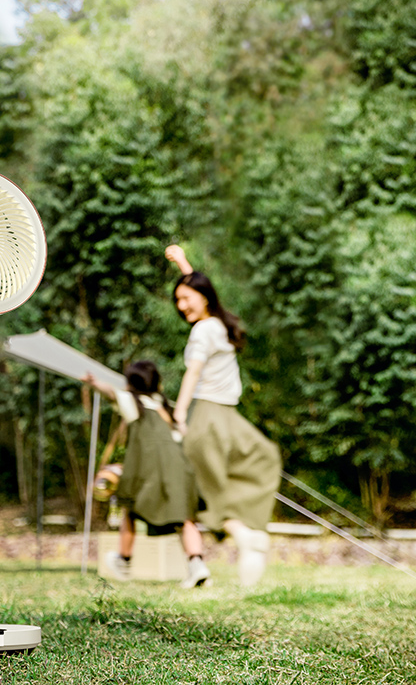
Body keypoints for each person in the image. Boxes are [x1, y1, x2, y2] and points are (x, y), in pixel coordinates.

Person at [165, 244, 281, 587]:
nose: (181, 306)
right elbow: (193, 374)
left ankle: (246, 535)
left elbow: (192, 372)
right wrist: (181, 415)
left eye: (186, 298)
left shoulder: (208, 327)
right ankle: (246, 536)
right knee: (212, 488)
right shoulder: (209, 326)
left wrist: (180, 413)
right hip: (212, 415)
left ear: (203, 296)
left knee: (243, 469)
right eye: (178, 301)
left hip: (220, 416)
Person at [84, 360, 210, 588]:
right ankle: (197, 564)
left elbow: (111, 393)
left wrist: (94, 383)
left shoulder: (133, 403)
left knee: (132, 509)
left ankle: (123, 560)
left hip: (151, 470)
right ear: (156, 383)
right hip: (181, 468)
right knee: (185, 517)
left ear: (131, 382)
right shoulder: (165, 407)